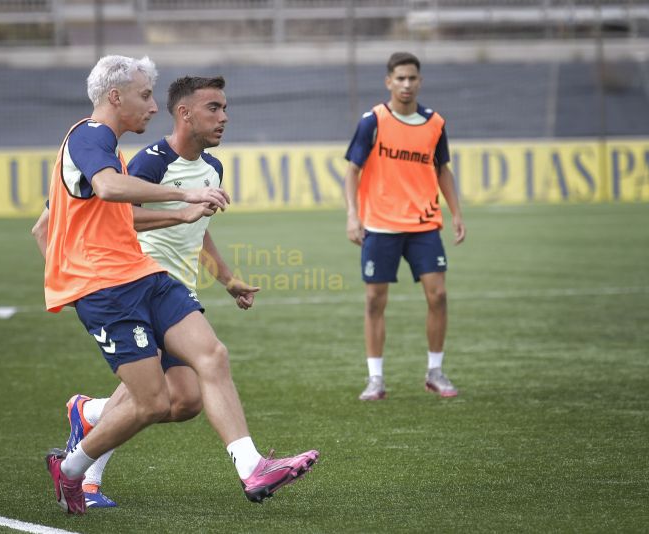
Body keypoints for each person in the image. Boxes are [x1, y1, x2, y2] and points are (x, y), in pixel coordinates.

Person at [37, 55, 318, 515]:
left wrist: (221, 270)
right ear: (116, 96)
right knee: (150, 402)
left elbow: (66, 217)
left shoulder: (110, 148)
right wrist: (184, 196)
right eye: (145, 95)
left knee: (212, 356)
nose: (153, 105)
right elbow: (107, 190)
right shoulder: (89, 136)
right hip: (108, 288)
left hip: (144, 276)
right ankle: (71, 470)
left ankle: (252, 467)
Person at [343, 51, 466, 402]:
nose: (406, 84)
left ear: (420, 81)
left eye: (412, 78)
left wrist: (456, 213)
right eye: (400, 78)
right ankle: (376, 378)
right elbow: (352, 171)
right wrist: (353, 215)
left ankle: (435, 371)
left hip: (424, 224)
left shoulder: (435, 124)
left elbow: (443, 169)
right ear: (388, 82)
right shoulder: (373, 121)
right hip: (380, 225)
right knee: (374, 301)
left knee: (438, 295)